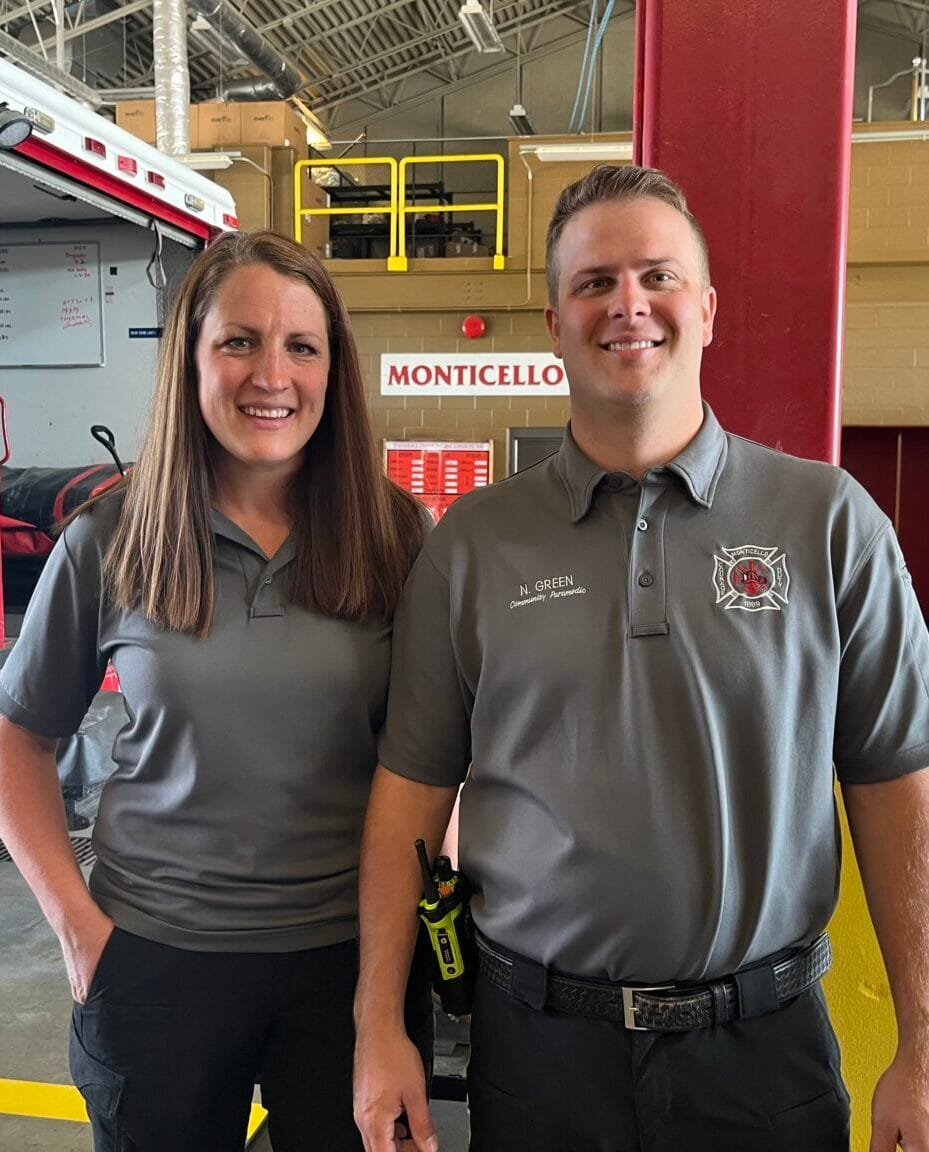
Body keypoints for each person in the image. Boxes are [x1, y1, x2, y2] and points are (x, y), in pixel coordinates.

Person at [352, 166, 929, 1152]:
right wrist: (378, 1028)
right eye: (593, 283)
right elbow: (408, 793)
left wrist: (921, 1044)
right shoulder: (472, 547)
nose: (626, 304)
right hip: (539, 1061)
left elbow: (896, 790)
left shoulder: (830, 525)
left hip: (764, 1060)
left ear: (704, 310)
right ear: (553, 321)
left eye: (656, 276)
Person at [0, 230, 433, 1152]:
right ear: (191, 359)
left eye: (300, 347)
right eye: (239, 341)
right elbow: (16, 735)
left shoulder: (398, 538)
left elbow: (432, 760)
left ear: (332, 369)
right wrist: (76, 925)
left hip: (351, 962)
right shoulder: (113, 538)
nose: (269, 375)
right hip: (157, 961)